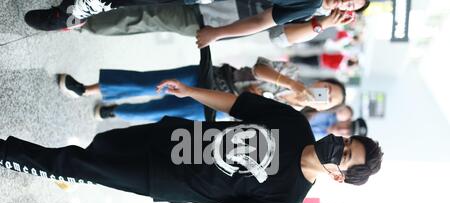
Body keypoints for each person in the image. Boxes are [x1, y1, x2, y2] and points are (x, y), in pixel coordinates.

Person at [0, 81, 383, 203]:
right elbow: (238, 104)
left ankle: (14, 156)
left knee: (80, 165)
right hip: (171, 135)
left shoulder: (289, 197)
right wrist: (188, 91)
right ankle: (60, 165)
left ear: (338, 176)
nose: (338, 145)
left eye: (345, 155)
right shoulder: (295, 125)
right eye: (346, 142)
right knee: (99, 148)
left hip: (164, 178)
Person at [58, 56, 346, 122]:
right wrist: (292, 85)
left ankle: (116, 111)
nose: (325, 95)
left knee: (160, 112)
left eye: (329, 100)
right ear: (322, 82)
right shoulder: (293, 73)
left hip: (217, 108)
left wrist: (256, 101)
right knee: (150, 82)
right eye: (329, 89)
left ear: (323, 109)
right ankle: (86, 89)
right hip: (214, 76)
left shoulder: (293, 115)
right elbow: (259, 69)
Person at [25, 0, 370, 47]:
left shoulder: (311, 9)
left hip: (213, 17)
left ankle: (77, 20)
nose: (346, 1)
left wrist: (322, 23)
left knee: (146, 16)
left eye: (353, 4)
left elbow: (276, 35)